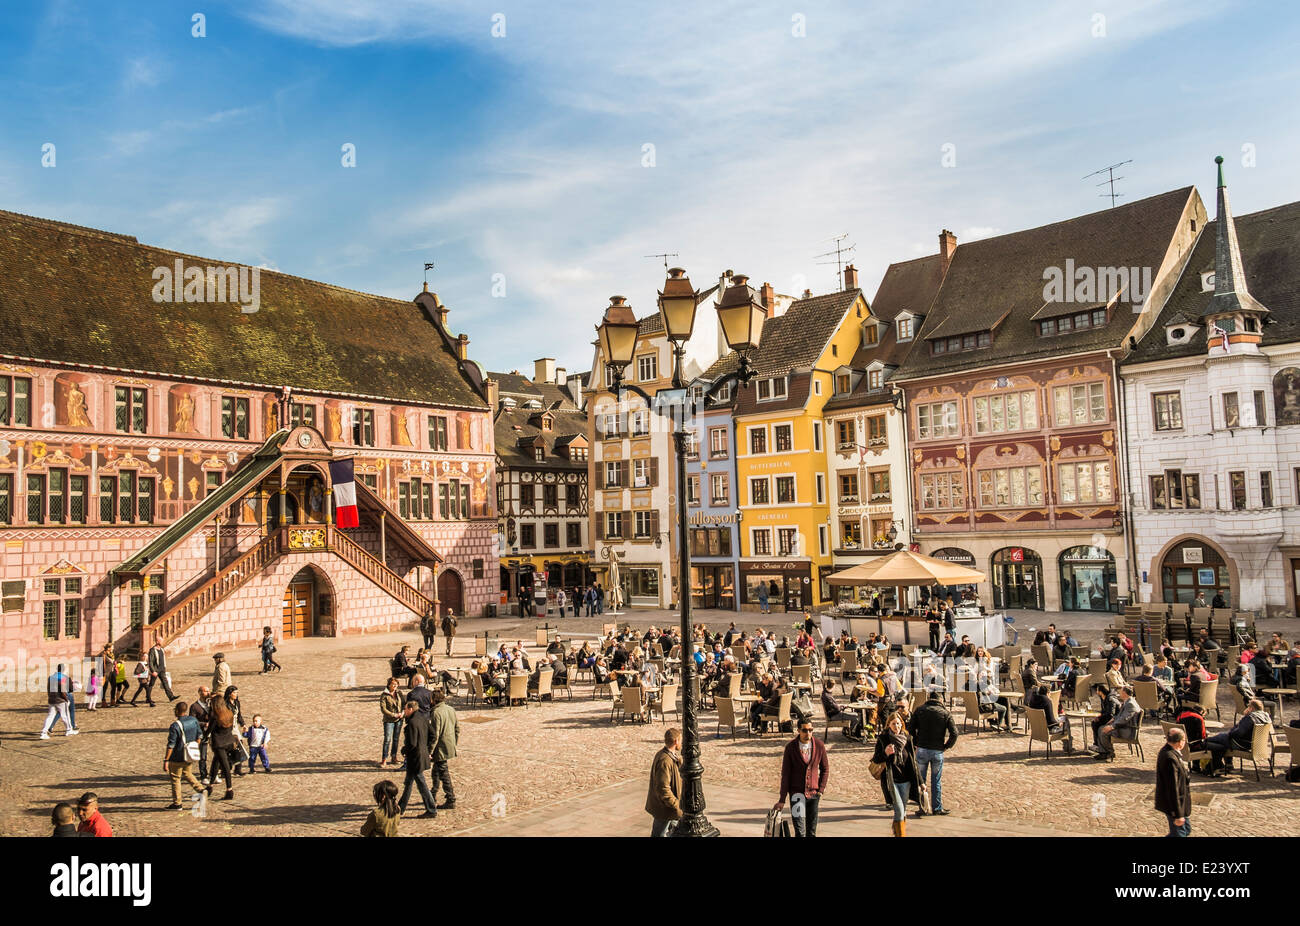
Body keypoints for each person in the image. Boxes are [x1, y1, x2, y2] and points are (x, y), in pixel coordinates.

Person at [774, 718, 829, 837]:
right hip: (797, 795)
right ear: (798, 730)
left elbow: (825, 769)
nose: (808, 733)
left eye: (810, 730)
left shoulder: (819, 746)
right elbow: (786, 774)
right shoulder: (791, 747)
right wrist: (782, 799)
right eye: (805, 730)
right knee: (800, 832)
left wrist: (821, 790)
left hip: (814, 795)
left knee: (811, 832)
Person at [908, 690, 958, 816]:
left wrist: (916, 742)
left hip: (922, 749)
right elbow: (954, 733)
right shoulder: (945, 713)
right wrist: (946, 746)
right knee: (936, 780)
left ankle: (922, 807)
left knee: (921, 780)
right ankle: (937, 808)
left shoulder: (919, 710)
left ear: (929, 698)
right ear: (941, 700)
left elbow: (910, 728)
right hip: (937, 750)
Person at [872, 711, 917, 837]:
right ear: (889, 725)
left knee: (903, 810)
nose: (896, 727)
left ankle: (897, 829)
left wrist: (921, 782)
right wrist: (885, 753)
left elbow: (913, 762)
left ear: (901, 724)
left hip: (907, 780)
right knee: (899, 810)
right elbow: (876, 759)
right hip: (892, 780)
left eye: (898, 724)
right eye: (893, 724)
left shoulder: (908, 739)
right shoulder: (883, 739)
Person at [1204, 698, 1269, 775]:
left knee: (1210, 741)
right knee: (1222, 741)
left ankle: (1213, 766)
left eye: (1248, 707)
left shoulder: (1250, 718)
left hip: (1240, 743)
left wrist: (1230, 734)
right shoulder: (1266, 717)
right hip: (1253, 744)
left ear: (1251, 708)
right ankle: (1227, 764)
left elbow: (1239, 733)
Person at [397, 696, 437, 818]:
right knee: (408, 783)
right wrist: (426, 748)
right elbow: (433, 735)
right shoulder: (423, 718)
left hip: (415, 758)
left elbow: (412, 743)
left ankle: (431, 809)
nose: (404, 712)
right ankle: (400, 807)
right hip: (420, 755)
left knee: (421, 785)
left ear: (410, 709)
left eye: (405, 709)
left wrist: (404, 749)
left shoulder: (412, 723)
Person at [163, 701, 205, 809]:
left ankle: (177, 803)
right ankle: (201, 789)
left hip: (177, 756)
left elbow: (171, 745)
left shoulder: (175, 726)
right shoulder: (193, 720)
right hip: (189, 754)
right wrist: (195, 746)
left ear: (177, 711)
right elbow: (200, 735)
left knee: (176, 778)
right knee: (187, 773)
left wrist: (166, 760)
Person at [646, 728, 683, 836]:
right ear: (676, 741)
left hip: (670, 809)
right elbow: (663, 788)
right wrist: (676, 804)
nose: (681, 743)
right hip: (665, 809)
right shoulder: (665, 760)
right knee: (659, 833)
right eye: (680, 740)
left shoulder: (669, 756)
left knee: (676, 831)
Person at [1155, 728, 1192, 837]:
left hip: (1181, 803)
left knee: (1186, 830)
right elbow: (1172, 788)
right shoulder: (1169, 757)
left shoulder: (1172, 752)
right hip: (1174, 805)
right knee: (1180, 834)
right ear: (1180, 742)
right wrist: (1178, 814)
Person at [429, 689, 459, 810]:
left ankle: (450, 798)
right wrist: (454, 743)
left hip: (440, 747)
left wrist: (429, 751)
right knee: (436, 771)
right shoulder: (450, 709)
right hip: (449, 744)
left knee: (443, 772)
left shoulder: (436, 713)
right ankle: (432, 794)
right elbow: (457, 728)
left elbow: (435, 735)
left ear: (433, 700)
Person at [1094, 686, 1140, 760]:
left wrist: (1112, 727)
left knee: (1103, 731)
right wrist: (1113, 719)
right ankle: (1103, 752)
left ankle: (1109, 752)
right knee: (1101, 727)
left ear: (1124, 693)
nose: (1119, 693)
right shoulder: (1127, 701)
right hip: (1124, 726)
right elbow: (1121, 715)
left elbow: (1124, 718)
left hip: (1128, 730)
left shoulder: (1130, 704)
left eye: (1121, 692)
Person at [1026, 684, 1073, 752]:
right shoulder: (1047, 701)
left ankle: (1067, 746)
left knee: (1062, 719)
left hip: (1037, 729)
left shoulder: (1032, 700)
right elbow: (1051, 720)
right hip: (1049, 729)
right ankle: (1068, 748)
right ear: (1047, 693)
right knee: (1066, 721)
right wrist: (1058, 724)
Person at [40, 665, 77, 738]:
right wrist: (66, 698)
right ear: (64, 670)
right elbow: (63, 689)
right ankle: (69, 730)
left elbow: (48, 688)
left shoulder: (50, 677)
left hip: (52, 699)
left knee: (50, 716)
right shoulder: (63, 677)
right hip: (60, 700)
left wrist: (50, 697)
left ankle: (44, 732)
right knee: (65, 715)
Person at [146, 636, 178, 701]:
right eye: (161, 641)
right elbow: (150, 661)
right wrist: (153, 671)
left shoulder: (162, 649)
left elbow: (163, 659)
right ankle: (148, 698)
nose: (162, 642)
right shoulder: (152, 650)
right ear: (157, 642)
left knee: (165, 683)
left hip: (162, 669)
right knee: (151, 684)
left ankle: (171, 697)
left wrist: (164, 667)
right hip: (155, 670)